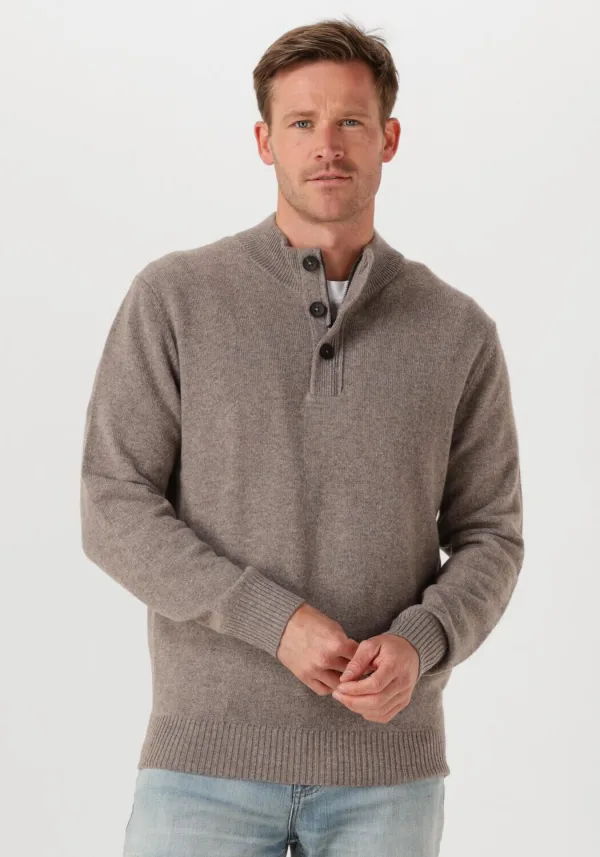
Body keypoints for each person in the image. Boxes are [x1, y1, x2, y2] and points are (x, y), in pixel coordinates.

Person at [80, 15, 525, 857]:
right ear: (264, 141)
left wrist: (423, 641)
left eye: (351, 120)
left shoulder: (457, 330)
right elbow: (112, 505)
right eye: (302, 122)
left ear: (389, 138)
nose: (328, 145)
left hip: (386, 774)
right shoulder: (176, 299)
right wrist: (272, 619)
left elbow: (492, 536)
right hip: (203, 763)